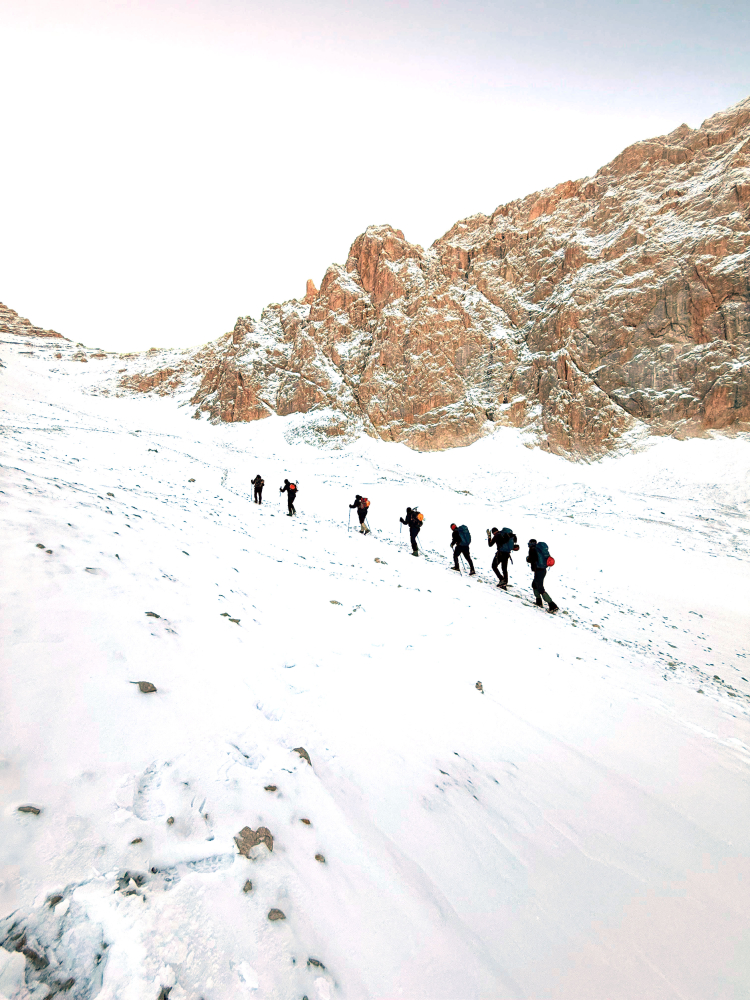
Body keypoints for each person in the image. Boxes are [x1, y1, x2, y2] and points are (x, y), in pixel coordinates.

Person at [526, 538, 559, 612]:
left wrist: (528, 558)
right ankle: (539, 602)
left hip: (538, 570)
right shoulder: (540, 549)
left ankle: (552, 605)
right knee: (534, 585)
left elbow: (532, 559)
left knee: (540, 587)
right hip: (543, 569)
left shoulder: (533, 549)